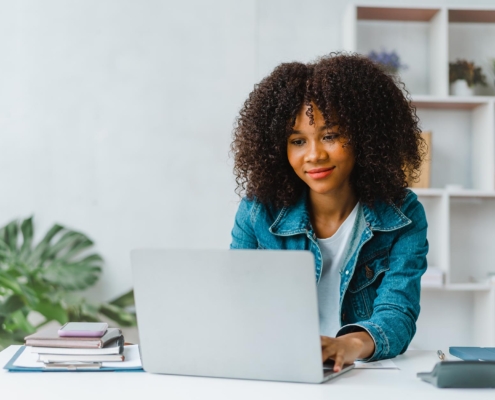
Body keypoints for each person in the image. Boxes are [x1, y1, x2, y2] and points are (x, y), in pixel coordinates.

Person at [229, 53, 428, 372]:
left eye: (330, 135)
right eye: (297, 140)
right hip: (278, 366)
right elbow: (237, 300)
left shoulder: (402, 214)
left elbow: (397, 314)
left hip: (362, 372)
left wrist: (345, 346)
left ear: (365, 135)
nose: (314, 155)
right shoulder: (257, 212)